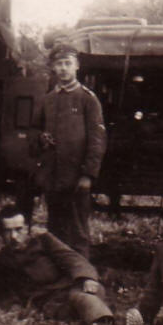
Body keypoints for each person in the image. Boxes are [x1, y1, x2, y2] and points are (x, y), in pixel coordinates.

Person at [0, 204, 113, 325]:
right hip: (47, 303)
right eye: (7, 231)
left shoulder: (43, 240)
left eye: (18, 229)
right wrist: (15, 308)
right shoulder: (2, 260)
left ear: (27, 228)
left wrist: (87, 277)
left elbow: (71, 258)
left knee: (84, 297)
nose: (14, 236)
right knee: (73, 314)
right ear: (1, 233)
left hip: (70, 288)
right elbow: (4, 292)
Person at [34, 43, 107, 258]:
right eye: (59, 64)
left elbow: (97, 139)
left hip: (76, 178)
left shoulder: (87, 99)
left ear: (77, 66)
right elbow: (35, 130)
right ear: (53, 68)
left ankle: (81, 272)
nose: (63, 68)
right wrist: (41, 138)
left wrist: (88, 175)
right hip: (53, 177)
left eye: (68, 63)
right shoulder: (48, 99)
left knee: (78, 232)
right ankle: (57, 271)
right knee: (55, 230)